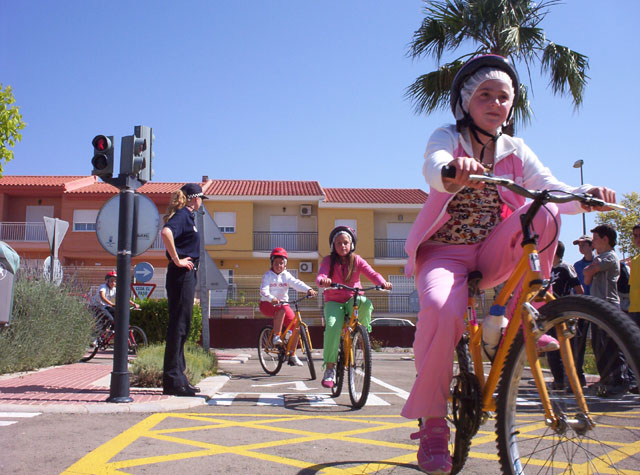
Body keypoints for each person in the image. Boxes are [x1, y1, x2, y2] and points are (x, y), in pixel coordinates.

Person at [400, 55, 615, 474]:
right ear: (465, 102)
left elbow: (550, 186)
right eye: (485, 95)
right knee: (443, 313)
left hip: (492, 249)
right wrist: (451, 169)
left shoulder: (515, 149)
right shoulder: (448, 136)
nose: (496, 103)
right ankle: (432, 427)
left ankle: (526, 313)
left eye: (504, 97)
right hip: (443, 252)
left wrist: (584, 192)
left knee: (546, 211)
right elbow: (432, 166)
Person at [316, 225, 392, 389]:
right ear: (333, 246)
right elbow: (321, 275)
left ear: (352, 244)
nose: (342, 246)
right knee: (332, 327)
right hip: (333, 301)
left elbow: (372, 274)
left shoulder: (357, 260)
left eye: (345, 242)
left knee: (365, 303)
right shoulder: (328, 261)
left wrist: (382, 283)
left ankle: (362, 336)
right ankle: (330, 368)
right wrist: (323, 280)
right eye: (338, 243)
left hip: (353, 298)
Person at [161, 183, 206, 397]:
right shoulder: (182, 215)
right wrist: (177, 259)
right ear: (192, 198)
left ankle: (180, 377)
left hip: (186, 275)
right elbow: (166, 232)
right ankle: (172, 381)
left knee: (183, 326)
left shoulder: (189, 217)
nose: (201, 202)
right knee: (178, 327)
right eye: (200, 198)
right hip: (181, 275)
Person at [583, 224, 628, 396]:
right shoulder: (599, 257)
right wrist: (589, 272)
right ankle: (606, 379)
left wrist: (590, 271)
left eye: (595, 239)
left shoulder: (609, 257)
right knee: (598, 345)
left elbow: (589, 272)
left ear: (605, 239)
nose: (593, 242)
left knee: (611, 345)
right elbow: (587, 278)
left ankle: (619, 381)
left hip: (608, 304)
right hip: (597, 305)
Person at [259, 247, 317, 366]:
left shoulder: (286, 275)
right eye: (276, 263)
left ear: (285, 264)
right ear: (272, 263)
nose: (278, 265)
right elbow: (263, 291)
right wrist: (272, 298)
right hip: (267, 304)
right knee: (281, 309)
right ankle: (276, 336)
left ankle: (292, 354)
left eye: (281, 263)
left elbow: (296, 283)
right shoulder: (267, 276)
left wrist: (309, 289)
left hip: (282, 305)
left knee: (296, 326)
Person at [547, 241, 583, 390]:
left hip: (564, 313)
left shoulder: (566, 267)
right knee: (552, 347)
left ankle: (573, 381)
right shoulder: (546, 269)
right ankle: (558, 379)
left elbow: (578, 289)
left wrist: (576, 310)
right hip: (550, 313)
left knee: (567, 348)